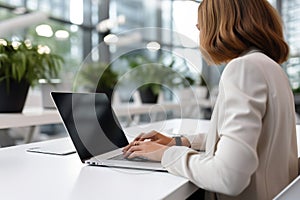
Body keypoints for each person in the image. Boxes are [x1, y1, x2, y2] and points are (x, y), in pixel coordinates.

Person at [123, 0, 298, 199]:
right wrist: (179, 142)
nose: (199, 34)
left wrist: (164, 154)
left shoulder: (243, 68)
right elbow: (248, 138)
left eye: (201, 26)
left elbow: (228, 176)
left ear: (221, 24)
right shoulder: (271, 68)